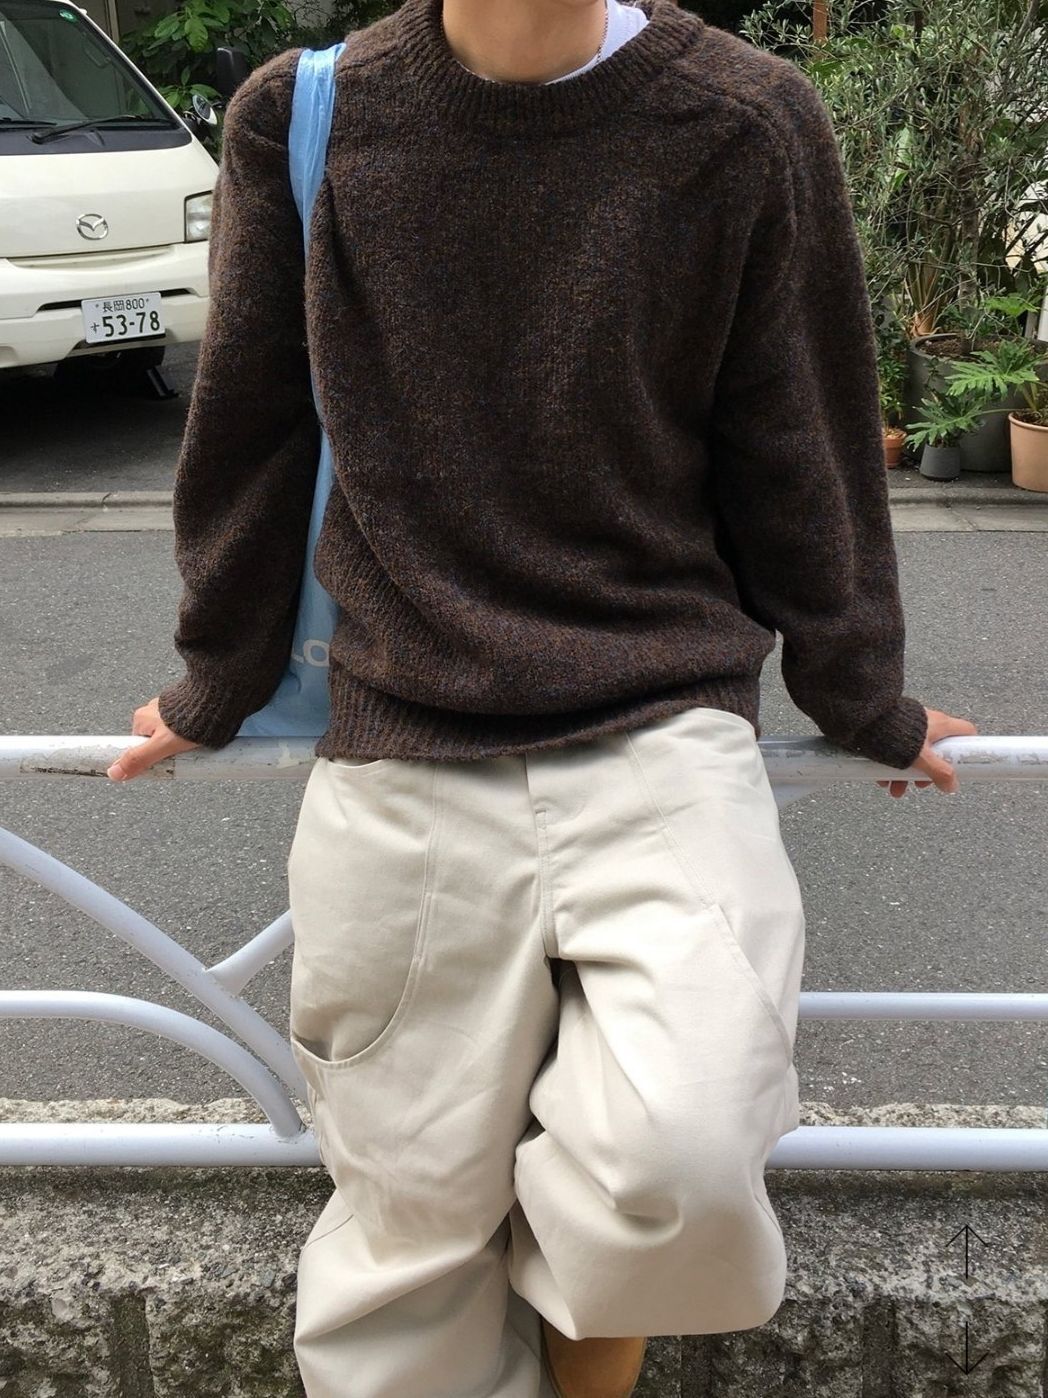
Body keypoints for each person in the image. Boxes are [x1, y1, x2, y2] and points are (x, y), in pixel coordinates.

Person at [108, 0, 978, 1393]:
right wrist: (218, 676)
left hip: (663, 725)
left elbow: (797, 436)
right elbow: (251, 423)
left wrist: (860, 690)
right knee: (408, 1226)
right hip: (400, 738)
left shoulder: (745, 121)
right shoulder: (305, 115)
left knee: (682, 1157)